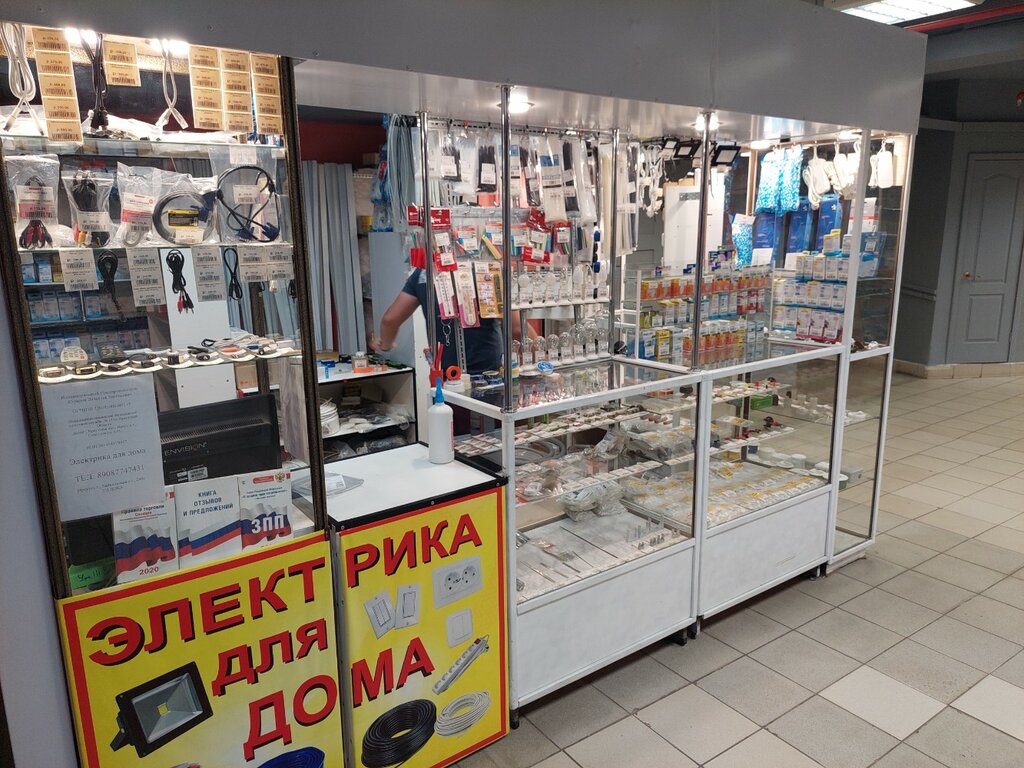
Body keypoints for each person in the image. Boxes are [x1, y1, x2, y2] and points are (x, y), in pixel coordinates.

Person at [371, 267, 533, 373]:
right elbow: (517, 329)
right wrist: (540, 356)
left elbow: (390, 320)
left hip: (446, 371)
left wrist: (386, 345)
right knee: (489, 416)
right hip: (489, 370)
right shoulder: (487, 270)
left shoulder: (422, 273)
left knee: (447, 415)